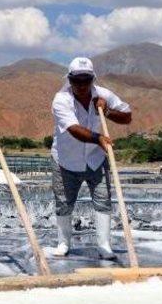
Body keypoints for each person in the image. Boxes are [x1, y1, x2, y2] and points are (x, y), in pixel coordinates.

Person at [50, 57, 132, 258]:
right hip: (66, 160)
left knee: (103, 200)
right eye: (76, 80)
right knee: (63, 202)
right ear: (69, 79)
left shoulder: (103, 95)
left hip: (96, 159)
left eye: (86, 80)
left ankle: (104, 245)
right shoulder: (61, 99)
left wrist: (108, 111)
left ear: (93, 79)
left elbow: (127, 115)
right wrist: (99, 138)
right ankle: (63, 243)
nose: (81, 85)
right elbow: (74, 129)